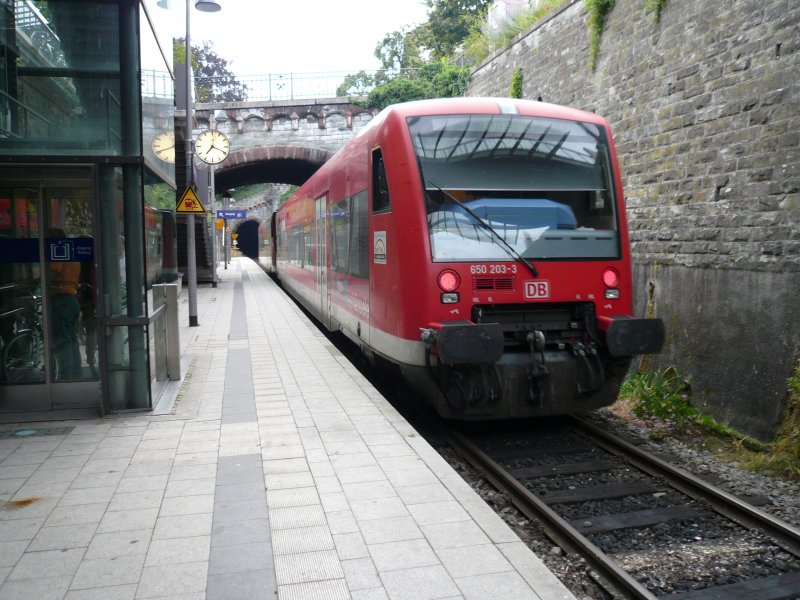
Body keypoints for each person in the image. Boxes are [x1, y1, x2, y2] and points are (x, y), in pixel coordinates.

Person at [47, 227, 81, 380]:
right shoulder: (72, 251)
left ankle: (65, 377)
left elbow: (55, 269)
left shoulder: (58, 249)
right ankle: (75, 374)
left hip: (61, 299)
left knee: (62, 341)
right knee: (71, 339)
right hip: (72, 299)